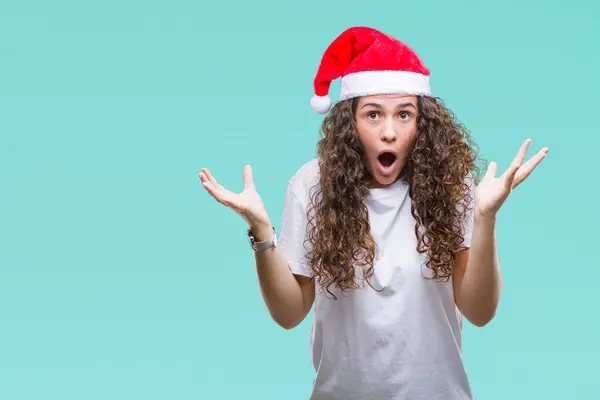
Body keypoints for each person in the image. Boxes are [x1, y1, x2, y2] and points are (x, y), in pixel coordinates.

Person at [199, 26, 548, 400]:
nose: (388, 132)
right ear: (351, 123)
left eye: (403, 115)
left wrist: (485, 218)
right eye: (373, 114)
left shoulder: (451, 186)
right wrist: (261, 230)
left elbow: (480, 312)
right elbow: (289, 314)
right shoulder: (312, 184)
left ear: (421, 123)